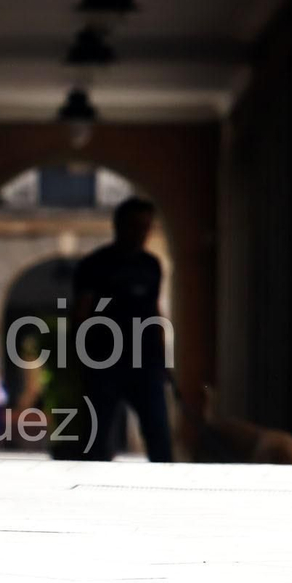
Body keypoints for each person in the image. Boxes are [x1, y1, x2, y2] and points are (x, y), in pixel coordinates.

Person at [72, 196, 172, 463]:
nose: (142, 233)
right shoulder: (94, 265)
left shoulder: (151, 265)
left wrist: (162, 359)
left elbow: (155, 312)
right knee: (97, 435)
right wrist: (84, 360)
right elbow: (81, 314)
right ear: (119, 226)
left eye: (146, 227)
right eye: (136, 226)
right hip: (105, 362)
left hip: (147, 363)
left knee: (159, 434)